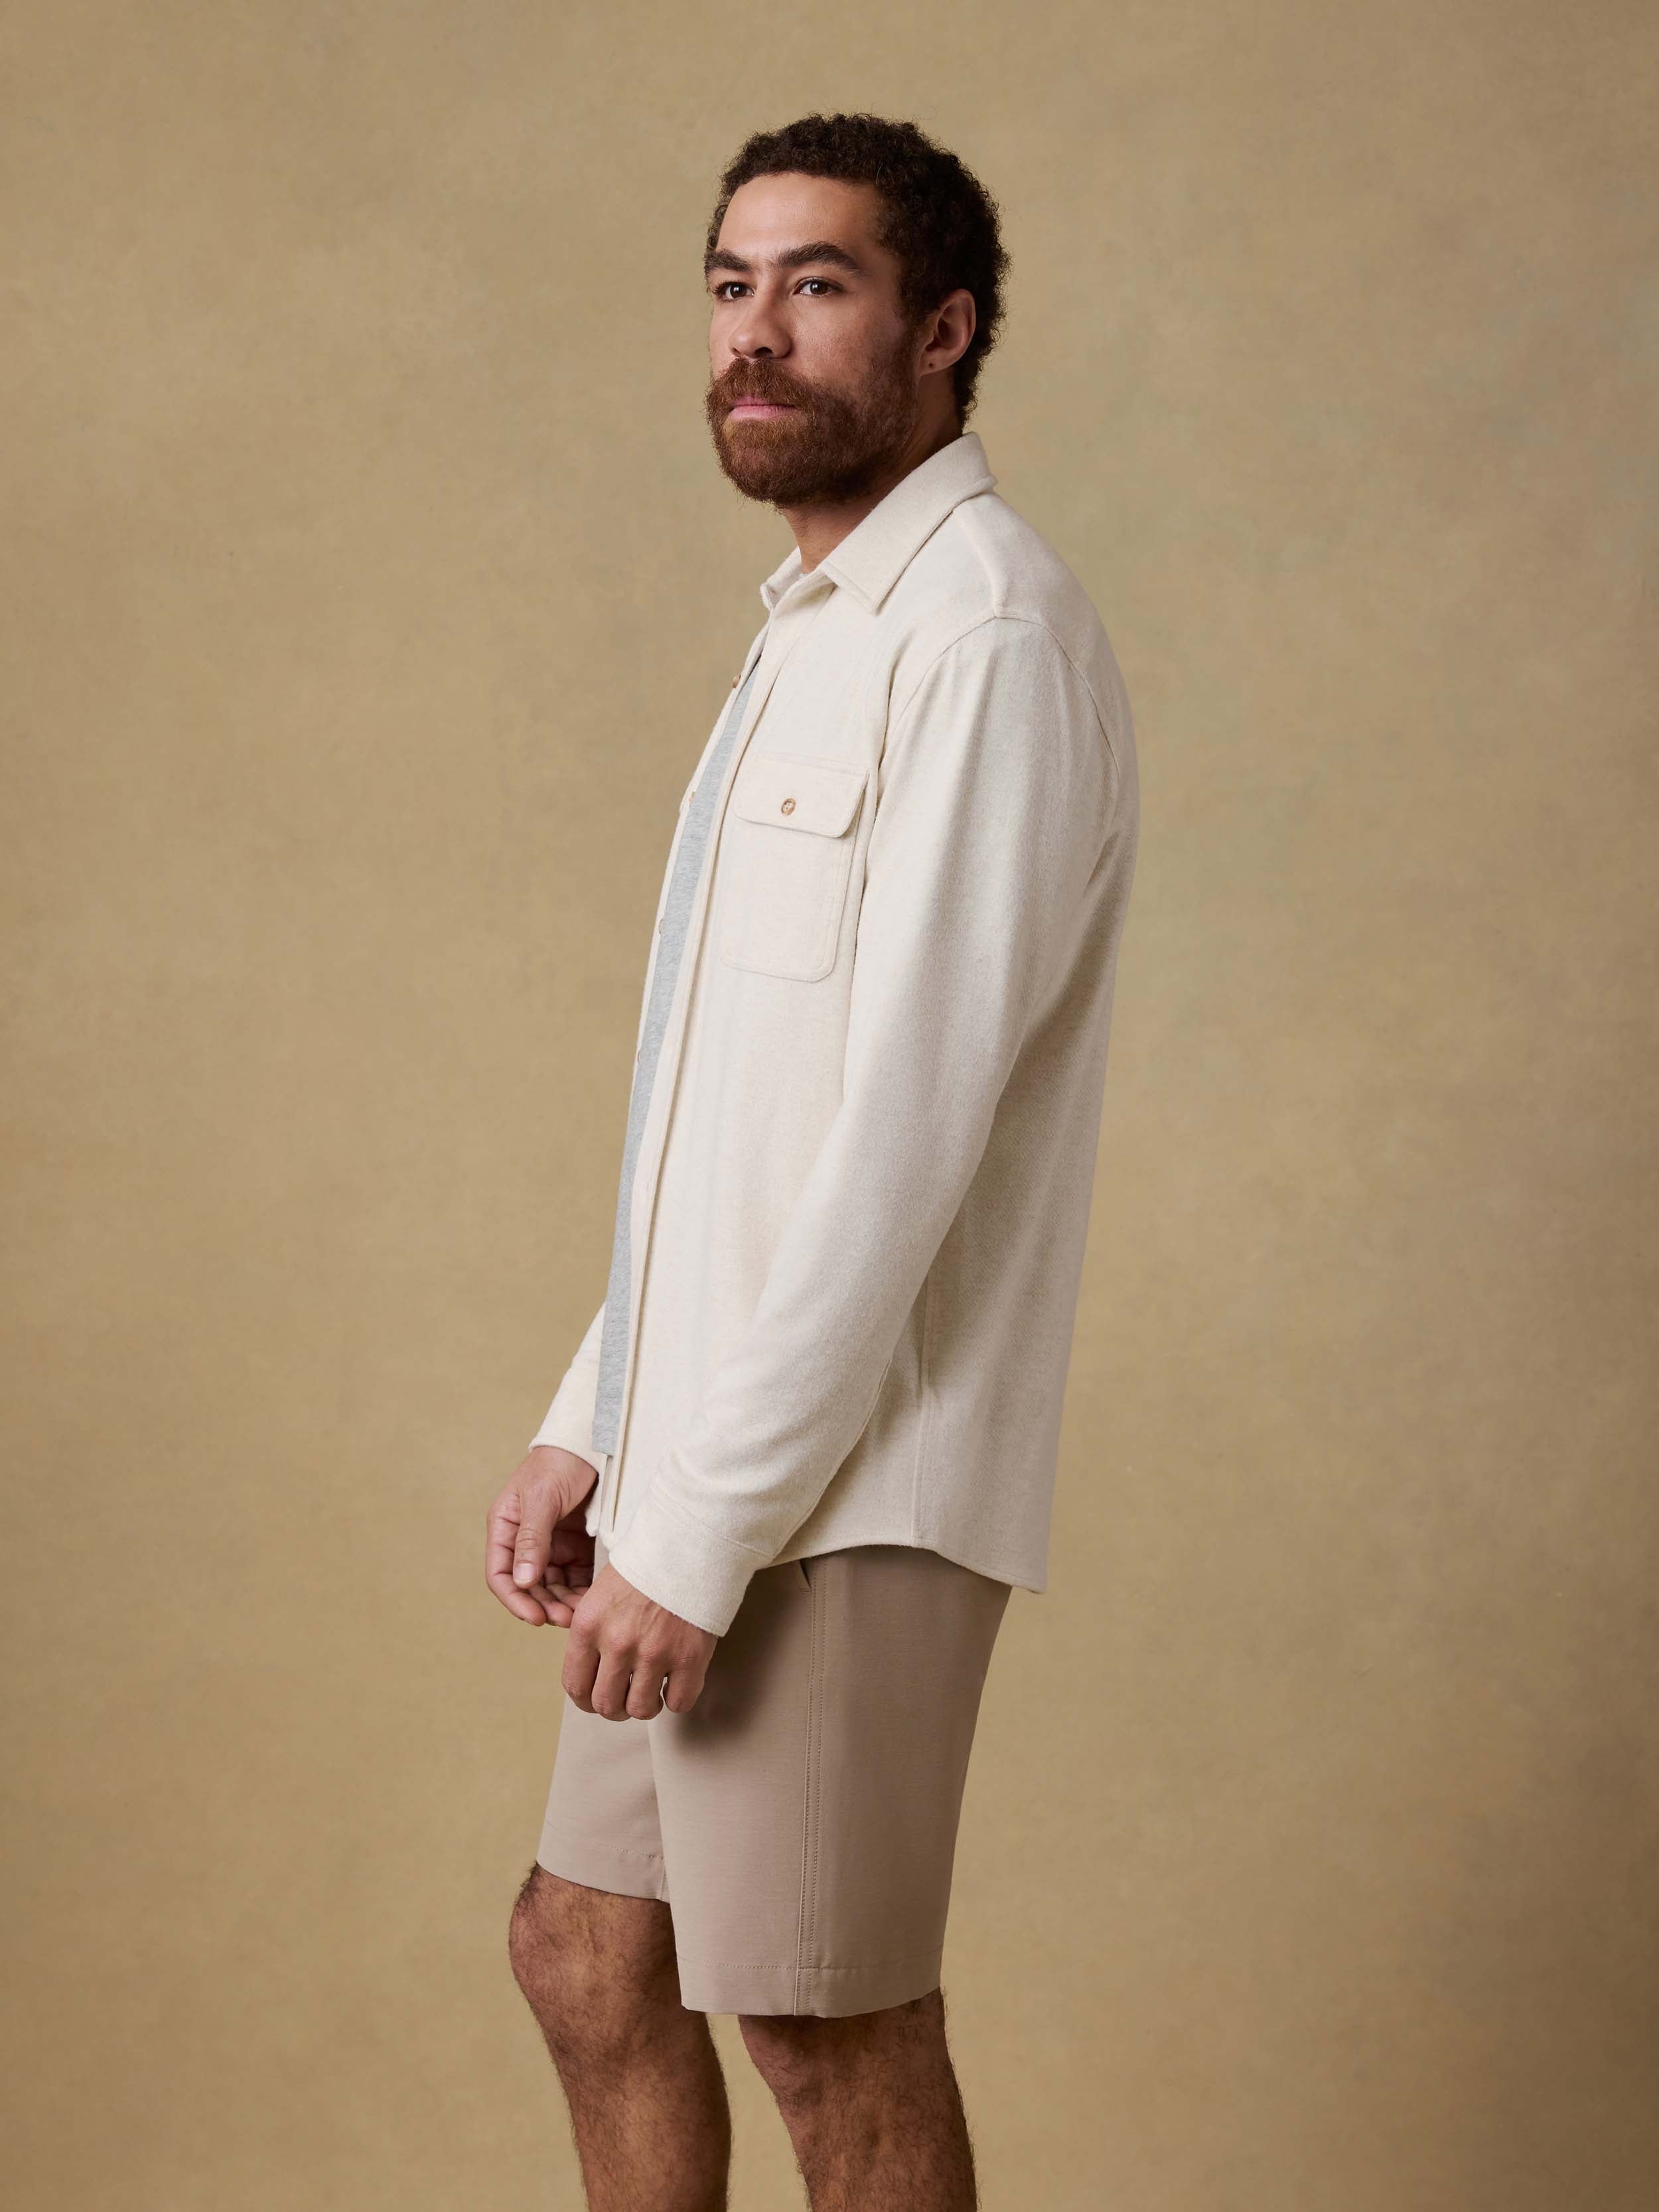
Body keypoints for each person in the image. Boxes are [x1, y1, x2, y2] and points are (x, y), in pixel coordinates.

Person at [489, 109, 1139, 2212]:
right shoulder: (819, 625)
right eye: (730, 284)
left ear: (942, 331)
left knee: (825, 2027)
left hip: (840, 1489)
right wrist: (598, 1420)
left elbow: (901, 1139)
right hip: (707, 1460)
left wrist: (709, 1521)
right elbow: (725, 1119)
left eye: (820, 286)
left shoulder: (983, 638)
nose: (755, 337)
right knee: (587, 1958)